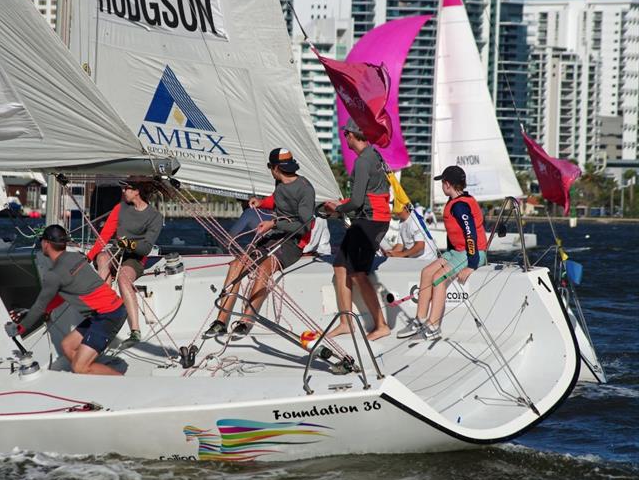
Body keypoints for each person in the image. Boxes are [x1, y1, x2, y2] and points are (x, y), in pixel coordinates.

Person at [203, 148, 316, 340]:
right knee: (238, 263)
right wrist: (261, 203)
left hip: (293, 242)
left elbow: (305, 226)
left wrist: (274, 223)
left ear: (275, 168)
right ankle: (221, 321)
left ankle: (246, 321)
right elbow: (277, 199)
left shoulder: (305, 188)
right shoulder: (280, 183)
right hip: (275, 235)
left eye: (270, 167)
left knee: (264, 268)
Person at [7, 225, 127, 375]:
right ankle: (91, 375)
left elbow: (40, 306)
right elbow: (62, 295)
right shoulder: (76, 257)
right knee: (67, 346)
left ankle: (120, 382)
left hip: (109, 315)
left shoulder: (54, 275)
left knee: (79, 367)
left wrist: (19, 328)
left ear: (46, 244)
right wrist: (35, 311)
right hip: (107, 311)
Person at [396, 166, 488, 340]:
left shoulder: (460, 206)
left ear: (447, 184)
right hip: (456, 252)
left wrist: (472, 265)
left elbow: (470, 234)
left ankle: (433, 326)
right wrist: (447, 255)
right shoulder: (455, 201)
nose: (442, 186)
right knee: (427, 272)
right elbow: (454, 233)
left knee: (438, 278)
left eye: (442, 183)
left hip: (472, 253)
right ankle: (420, 319)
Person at [324, 119, 391, 340]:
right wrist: (342, 205)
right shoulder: (375, 155)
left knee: (358, 274)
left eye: (346, 136)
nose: (346, 140)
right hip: (370, 218)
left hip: (371, 221)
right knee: (340, 267)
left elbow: (357, 201)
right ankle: (345, 322)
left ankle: (381, 325)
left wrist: (337, 207)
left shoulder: (363, 161)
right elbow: (365, 197)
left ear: (352, 135)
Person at [87, 180, 163, 348]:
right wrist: (88, 256)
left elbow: (146, 248)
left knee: (123, 277)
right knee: (101, 258)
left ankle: (135, 331)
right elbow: (104, 236)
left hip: (135, 257)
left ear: (137, 192)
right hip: (117, 251)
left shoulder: (155, 216)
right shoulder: (120, 208)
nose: (123, 190)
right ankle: (104, 309)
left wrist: (129, 244)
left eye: (127, 188)